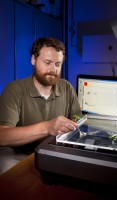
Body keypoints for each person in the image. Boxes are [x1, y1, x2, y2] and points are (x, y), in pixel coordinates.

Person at [0, 36, 82, 174]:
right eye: (47, 62)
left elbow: (78, 123)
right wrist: (47, 127)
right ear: (33, 60)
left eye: (58, 64)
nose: (53, 69)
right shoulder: (13, 90)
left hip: (54, 154)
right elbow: (2, 137)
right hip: (18, 155)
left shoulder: (67, 87)